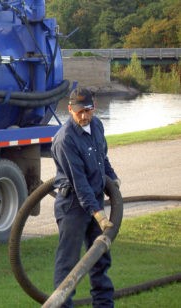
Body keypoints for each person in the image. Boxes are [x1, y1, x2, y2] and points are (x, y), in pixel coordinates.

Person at [51, 87, 120, 307]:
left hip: (94, 200)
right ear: (70, 109)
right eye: (79, 111)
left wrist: (112, 179)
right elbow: (79, 184)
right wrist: (99, 215)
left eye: (88, 110)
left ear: (94, 108)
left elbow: (103, 158)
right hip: (72, 205)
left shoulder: (97, 125)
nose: (84, 116)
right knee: (69, 265)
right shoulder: (65, 139)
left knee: (100, 257)